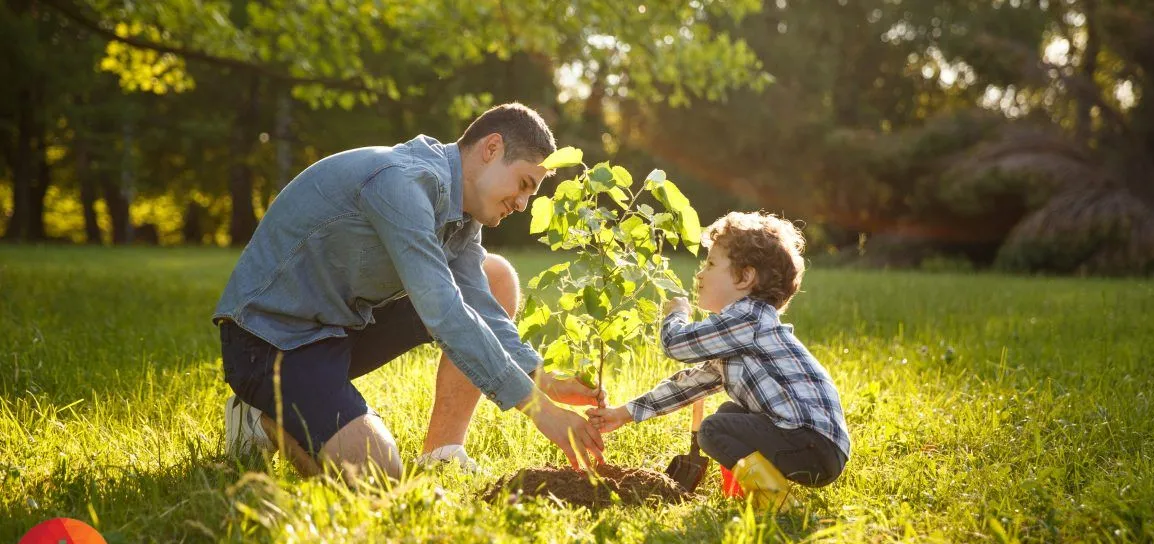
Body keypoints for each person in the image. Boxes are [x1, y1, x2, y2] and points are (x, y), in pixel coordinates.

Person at [213, 103, 606, 480]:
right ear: (491, 148)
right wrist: (540, 411)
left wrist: (542, 378)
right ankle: (259, 420)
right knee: (378, 476)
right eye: (524, 185)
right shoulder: (402, 182)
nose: (522, 204)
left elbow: (481, 306)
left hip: (338, 328)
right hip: (270, 341)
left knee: (494, 276)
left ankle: (442, 454)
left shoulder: (463, 214)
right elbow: (444, 311)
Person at [586, 211, 850, 509]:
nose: (699, 274)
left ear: (745, 277)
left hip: (811, 443)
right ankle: (747, 495)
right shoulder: (741, 333)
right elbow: (689, 386)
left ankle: (778, 505)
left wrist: (677, 314)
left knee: (713, 430)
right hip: (816, 445)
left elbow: (676, 344)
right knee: (729, 413)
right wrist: (624, 413)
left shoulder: (747, 317)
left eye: (710, 264)